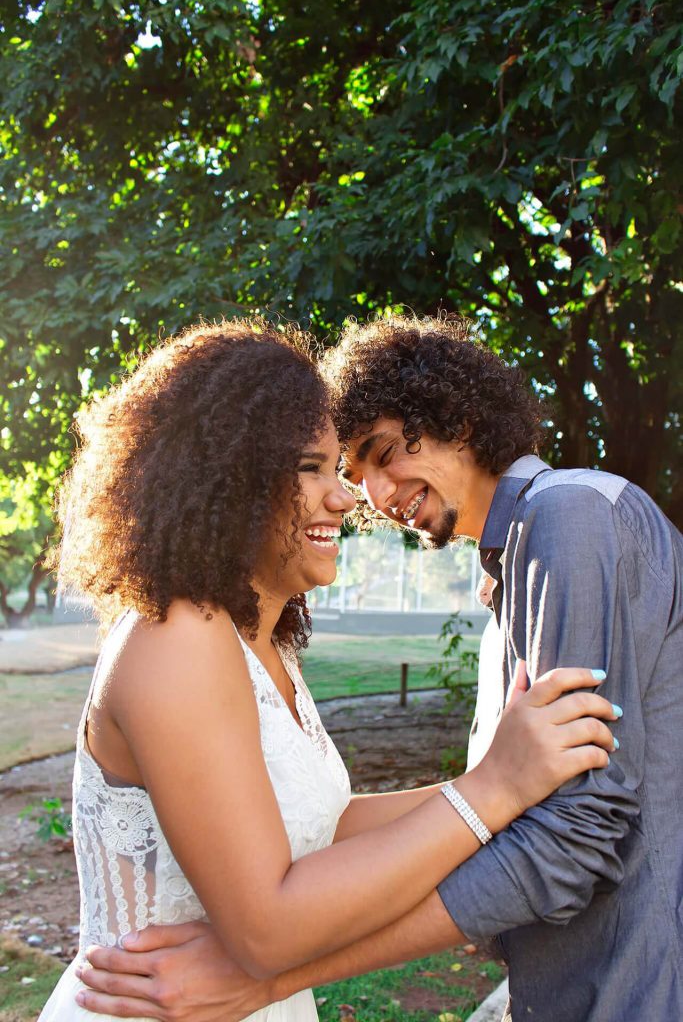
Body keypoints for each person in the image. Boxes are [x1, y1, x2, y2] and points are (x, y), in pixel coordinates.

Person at [77, 314, 681, 1022]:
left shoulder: (567, 519)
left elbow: (572, 828)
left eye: (371, 457)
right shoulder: (194, 639)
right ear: (225, 479)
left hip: (627, 987)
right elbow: (306, 863)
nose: (362, 500)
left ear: (453, 416)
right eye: (334, 472)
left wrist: (497, 786)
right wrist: (492, 786)